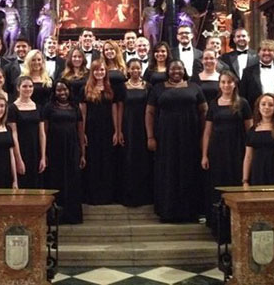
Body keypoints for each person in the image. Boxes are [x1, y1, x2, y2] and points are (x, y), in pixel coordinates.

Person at [146, 60, 207, 222]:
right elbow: (150, 113)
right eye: (173, 68)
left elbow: (204, 112)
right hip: (166, 138)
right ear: (168, 71)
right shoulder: (158, 88)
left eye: (179, 68)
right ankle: (167, 212)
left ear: (184, 70)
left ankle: (190, 212)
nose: (176, 71)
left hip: (190, 137)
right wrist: (150, 136)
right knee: (168, 171)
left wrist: (203, 137)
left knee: (189, 170)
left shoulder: (194, 87)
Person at [201, 70, 252, 230]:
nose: (226, 85)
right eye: (223, 82)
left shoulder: (243, 103)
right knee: (218, 186)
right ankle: (218, 225)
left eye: (229, 82)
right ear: (219, 84)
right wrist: (204, 155)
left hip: (237, 151)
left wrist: (249, 155)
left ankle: (236, 225)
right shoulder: (214, 104)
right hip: (217, 152)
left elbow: (249, 131)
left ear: (234, 84)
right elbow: (207, 132)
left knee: (235, 184)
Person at [43, 79, 85, 223]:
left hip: (72, 149)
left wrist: (82, 153)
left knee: (73, 182)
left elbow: (80, 131)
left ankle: (72, 215)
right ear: (54, 92)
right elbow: (45, 132)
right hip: (54, 150)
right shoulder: (49, 107)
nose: (62, 93)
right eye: (59, 90)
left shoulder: (75, 107)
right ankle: (56, 216)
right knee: (56, 180)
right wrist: (44, 154)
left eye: (65, 89)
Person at [80, 59, 121, 205]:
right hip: (91, 129)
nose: (99, 72)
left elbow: (114, 110)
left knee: (107, 160)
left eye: (102, 70)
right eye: (97, 70)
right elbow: (83, 113)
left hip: (108, 128)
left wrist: (117, 131)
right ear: (92, 72)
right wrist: (82, 132)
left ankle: (107, 196)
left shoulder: (110, 88)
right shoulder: (85, 89)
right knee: (93, 161)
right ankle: (93, 196)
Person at [120, 58, 153, 206]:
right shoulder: (122, 87)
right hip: (128, 127)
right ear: (127, 70)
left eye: (138, 68)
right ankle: (129, 196)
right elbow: (119, 109)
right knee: (128, 159)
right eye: (132, 68)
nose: (135, 71)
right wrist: (119, 130)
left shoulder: (148, 86)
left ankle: (144, 196)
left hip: (144, 127)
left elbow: (151, 110)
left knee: (144, 159)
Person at [8, 76, 46, 188]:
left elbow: (42, 133)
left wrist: (43, 156)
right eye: (24, 86)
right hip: (21, 149)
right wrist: (18, 159)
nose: (28, 89)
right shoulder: (12, 108)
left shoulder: (38, 107)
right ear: (18, 88)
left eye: (30, 86)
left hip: (36, 150)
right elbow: (13, 134)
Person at [240, 39, 274, 109]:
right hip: (255, 112)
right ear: (258, 52)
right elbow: (243, 95)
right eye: (264, 50)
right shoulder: (248, 72)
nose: (267, 53)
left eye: (270, 50)